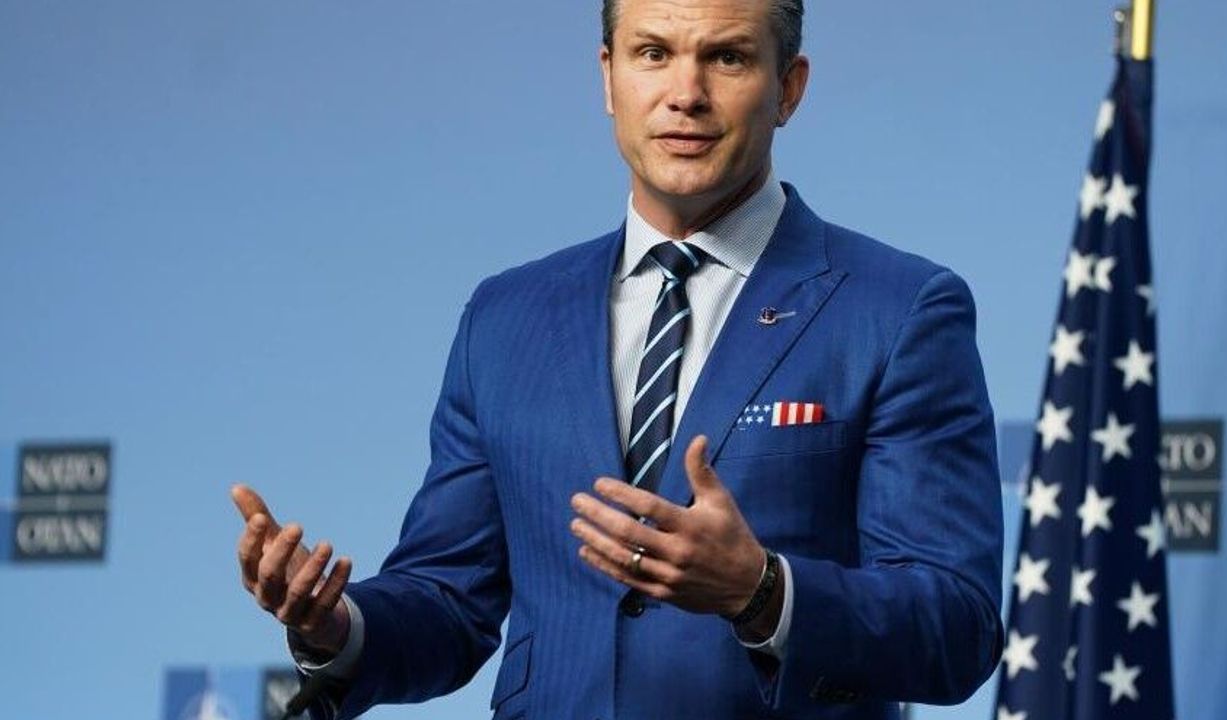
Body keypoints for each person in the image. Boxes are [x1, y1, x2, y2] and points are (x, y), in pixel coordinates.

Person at [231, 1, 1004, 717]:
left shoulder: (898, 309)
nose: (685, 94)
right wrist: (337, 625)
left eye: (727, 58)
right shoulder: (504, 318)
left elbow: (955, 624)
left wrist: (761, 590)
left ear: (789, 89)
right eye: (653, 53)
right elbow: (449, 598)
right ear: (609, 77)